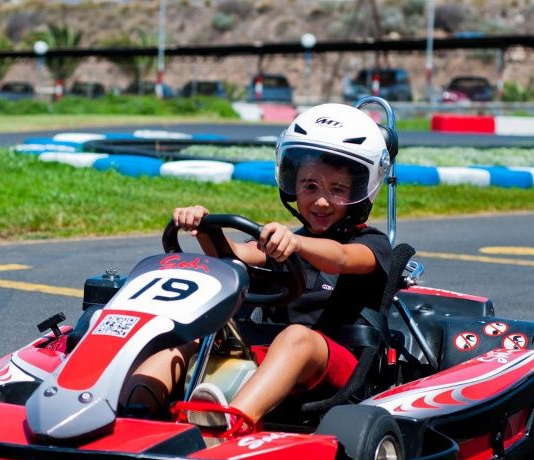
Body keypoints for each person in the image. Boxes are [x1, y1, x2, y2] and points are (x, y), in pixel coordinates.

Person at [125, 103, 393, 429]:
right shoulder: (283, 241)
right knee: (188, 339)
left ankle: (230, 423)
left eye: (336, 189)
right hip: (269, 352)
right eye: (310, 186)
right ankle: (133, 412)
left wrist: (296, 244)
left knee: (297, 337)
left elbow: (341, 258)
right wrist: (204, 227)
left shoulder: (372, 245)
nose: (321, 201)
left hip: (338, 365)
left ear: (361, 191)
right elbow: (232, 256)